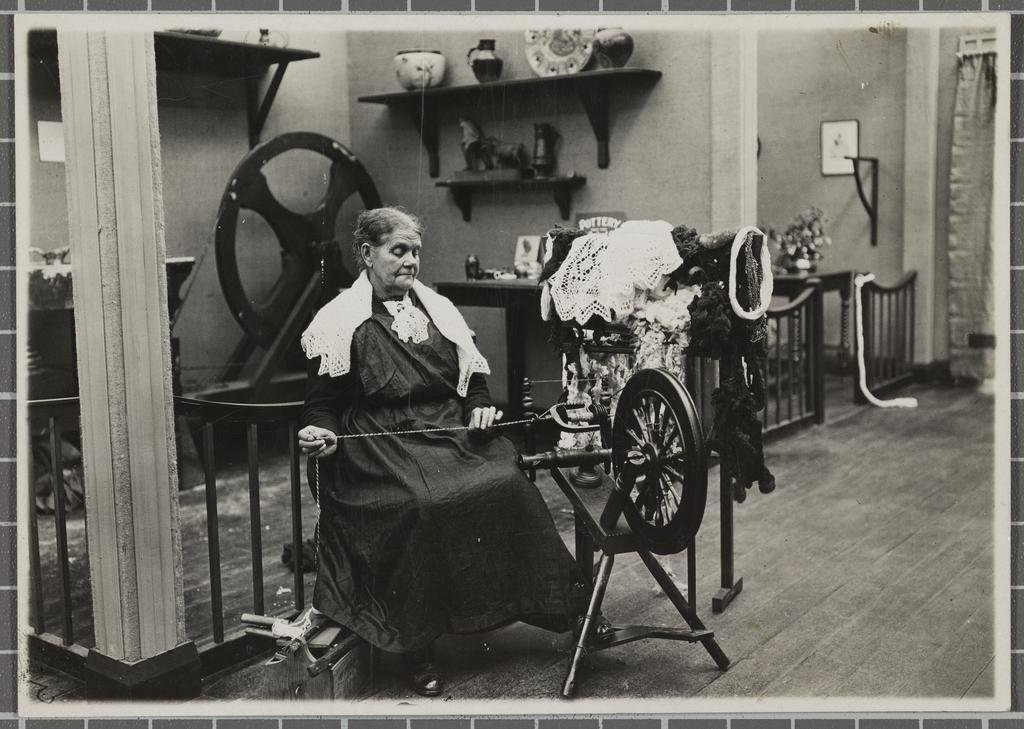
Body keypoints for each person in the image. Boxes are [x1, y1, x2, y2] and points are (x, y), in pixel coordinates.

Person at [297, 207, 586, 697]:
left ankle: (561, 606)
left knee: (508, 483)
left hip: (448, 432)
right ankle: (417, 647)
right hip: (380, 444)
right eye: (398, 251)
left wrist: (479, 407)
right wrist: (319, 434)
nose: (410, 262)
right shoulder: (339, 319)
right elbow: (321, 404)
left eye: (415, 252)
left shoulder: (437, 309)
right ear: (367, 254)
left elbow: (472, 380)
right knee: (422, 506)